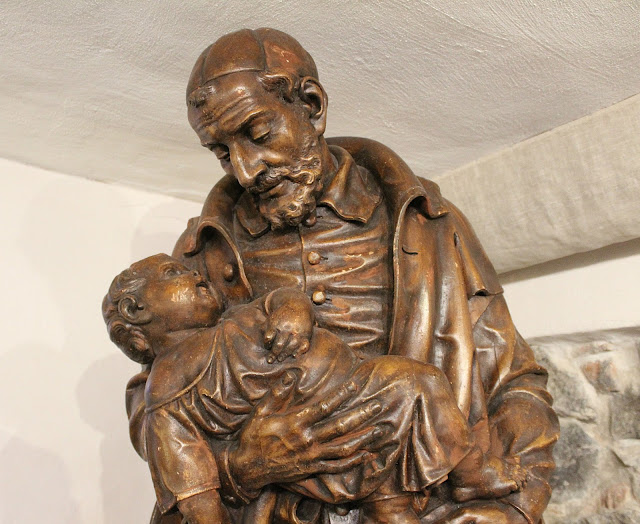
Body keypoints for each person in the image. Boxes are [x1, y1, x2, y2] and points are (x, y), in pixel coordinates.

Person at [125, 28, 559, 523]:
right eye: (223, 152)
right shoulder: (204, 252)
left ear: (311, 106)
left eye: (258, 134)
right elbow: (155, 401)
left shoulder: (429, 223)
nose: (245, 170)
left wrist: (518, 508)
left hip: (424, 501)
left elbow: (513, 379)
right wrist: (240, 464)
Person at [105, 254, 527, 524]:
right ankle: (462, 477)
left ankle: (463, 477)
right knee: (418, 384)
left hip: (358, 393)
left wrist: (293, 310)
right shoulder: (165, 390)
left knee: (411, 416)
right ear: (134, 310)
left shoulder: (238, 318)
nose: (195, 271)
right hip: (313, 441)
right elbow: (192, 484)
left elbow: (282, 298)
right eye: (174, 273)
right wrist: (237, 471)